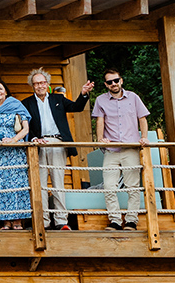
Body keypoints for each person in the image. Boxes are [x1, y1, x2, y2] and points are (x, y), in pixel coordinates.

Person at [23, 68, 94, 231]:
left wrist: (83, 93)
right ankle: (43, 221)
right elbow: (25, 125)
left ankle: (61, 220)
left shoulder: (58, 99)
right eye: (36, 84)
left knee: (58, 182)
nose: (40, 86)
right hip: (38, 145)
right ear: (32, 86)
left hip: (57, 142)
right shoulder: (26, 103)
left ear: (47, 84)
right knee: (40, 184)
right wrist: (34, 138)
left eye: (42, 82)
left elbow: (76, 107)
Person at [91, 68, 151, 230]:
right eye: (109, 82)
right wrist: (100, 139)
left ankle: (131, 220)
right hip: (111, 150)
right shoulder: (101, 100)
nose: (113, 84)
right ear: (106, 84)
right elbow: (99, 121)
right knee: (109, 186)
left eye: (116, 80)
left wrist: (144, 137)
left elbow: (142, 118)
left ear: (121, 80)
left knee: (132, 186)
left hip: (130, 148)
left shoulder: (133, 97)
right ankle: (115, 220)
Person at [0, 78, 33, 230]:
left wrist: (14, 139)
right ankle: (5, 222)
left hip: (14, 151)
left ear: (6, 91)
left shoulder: (16, 105)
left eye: (0, 88)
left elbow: (25, 129)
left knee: (15, 184)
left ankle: (17, 221)